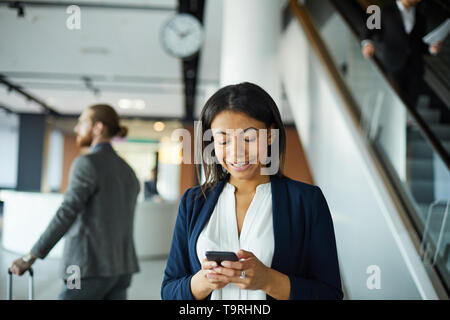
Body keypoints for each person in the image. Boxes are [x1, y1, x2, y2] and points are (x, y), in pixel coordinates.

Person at [161, 82, 343, 300]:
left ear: (270, 135)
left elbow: (329, 294)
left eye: (248, 138)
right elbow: (169, 291)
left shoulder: (306, 201)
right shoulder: (194, 201)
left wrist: (269, 280)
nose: (236, 152)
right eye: (223, 140)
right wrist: (203, 281)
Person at [9, 104, 141, 300]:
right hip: (121, 270)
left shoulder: (87, 163)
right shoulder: (128, 171)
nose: (76, 128)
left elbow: (66, 213)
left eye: (82, 122)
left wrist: (30, 256)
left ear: (98, 128)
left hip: (82, 268)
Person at [361, 0, 442, 107]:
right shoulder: (384, 11)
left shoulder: (420, 16)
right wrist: (367, 44)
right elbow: (368, 30)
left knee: (411, 105)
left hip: (415, 69)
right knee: (393, 103)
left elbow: (420, 45)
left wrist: (431, 49)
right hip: (393, 66)